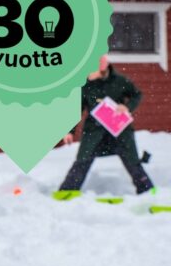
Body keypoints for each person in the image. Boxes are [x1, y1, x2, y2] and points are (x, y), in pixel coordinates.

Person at [59, 55, 154, 194]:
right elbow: (76, 109)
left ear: (106, 62)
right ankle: (67, 192)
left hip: (119, 130)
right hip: (94, 131)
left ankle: (147, 192)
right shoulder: (85, 84)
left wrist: (127, 107)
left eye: (100, 61)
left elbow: (137, 94)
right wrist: (69, 131)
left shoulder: (120, 80)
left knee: (132, 161)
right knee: (82, 160)